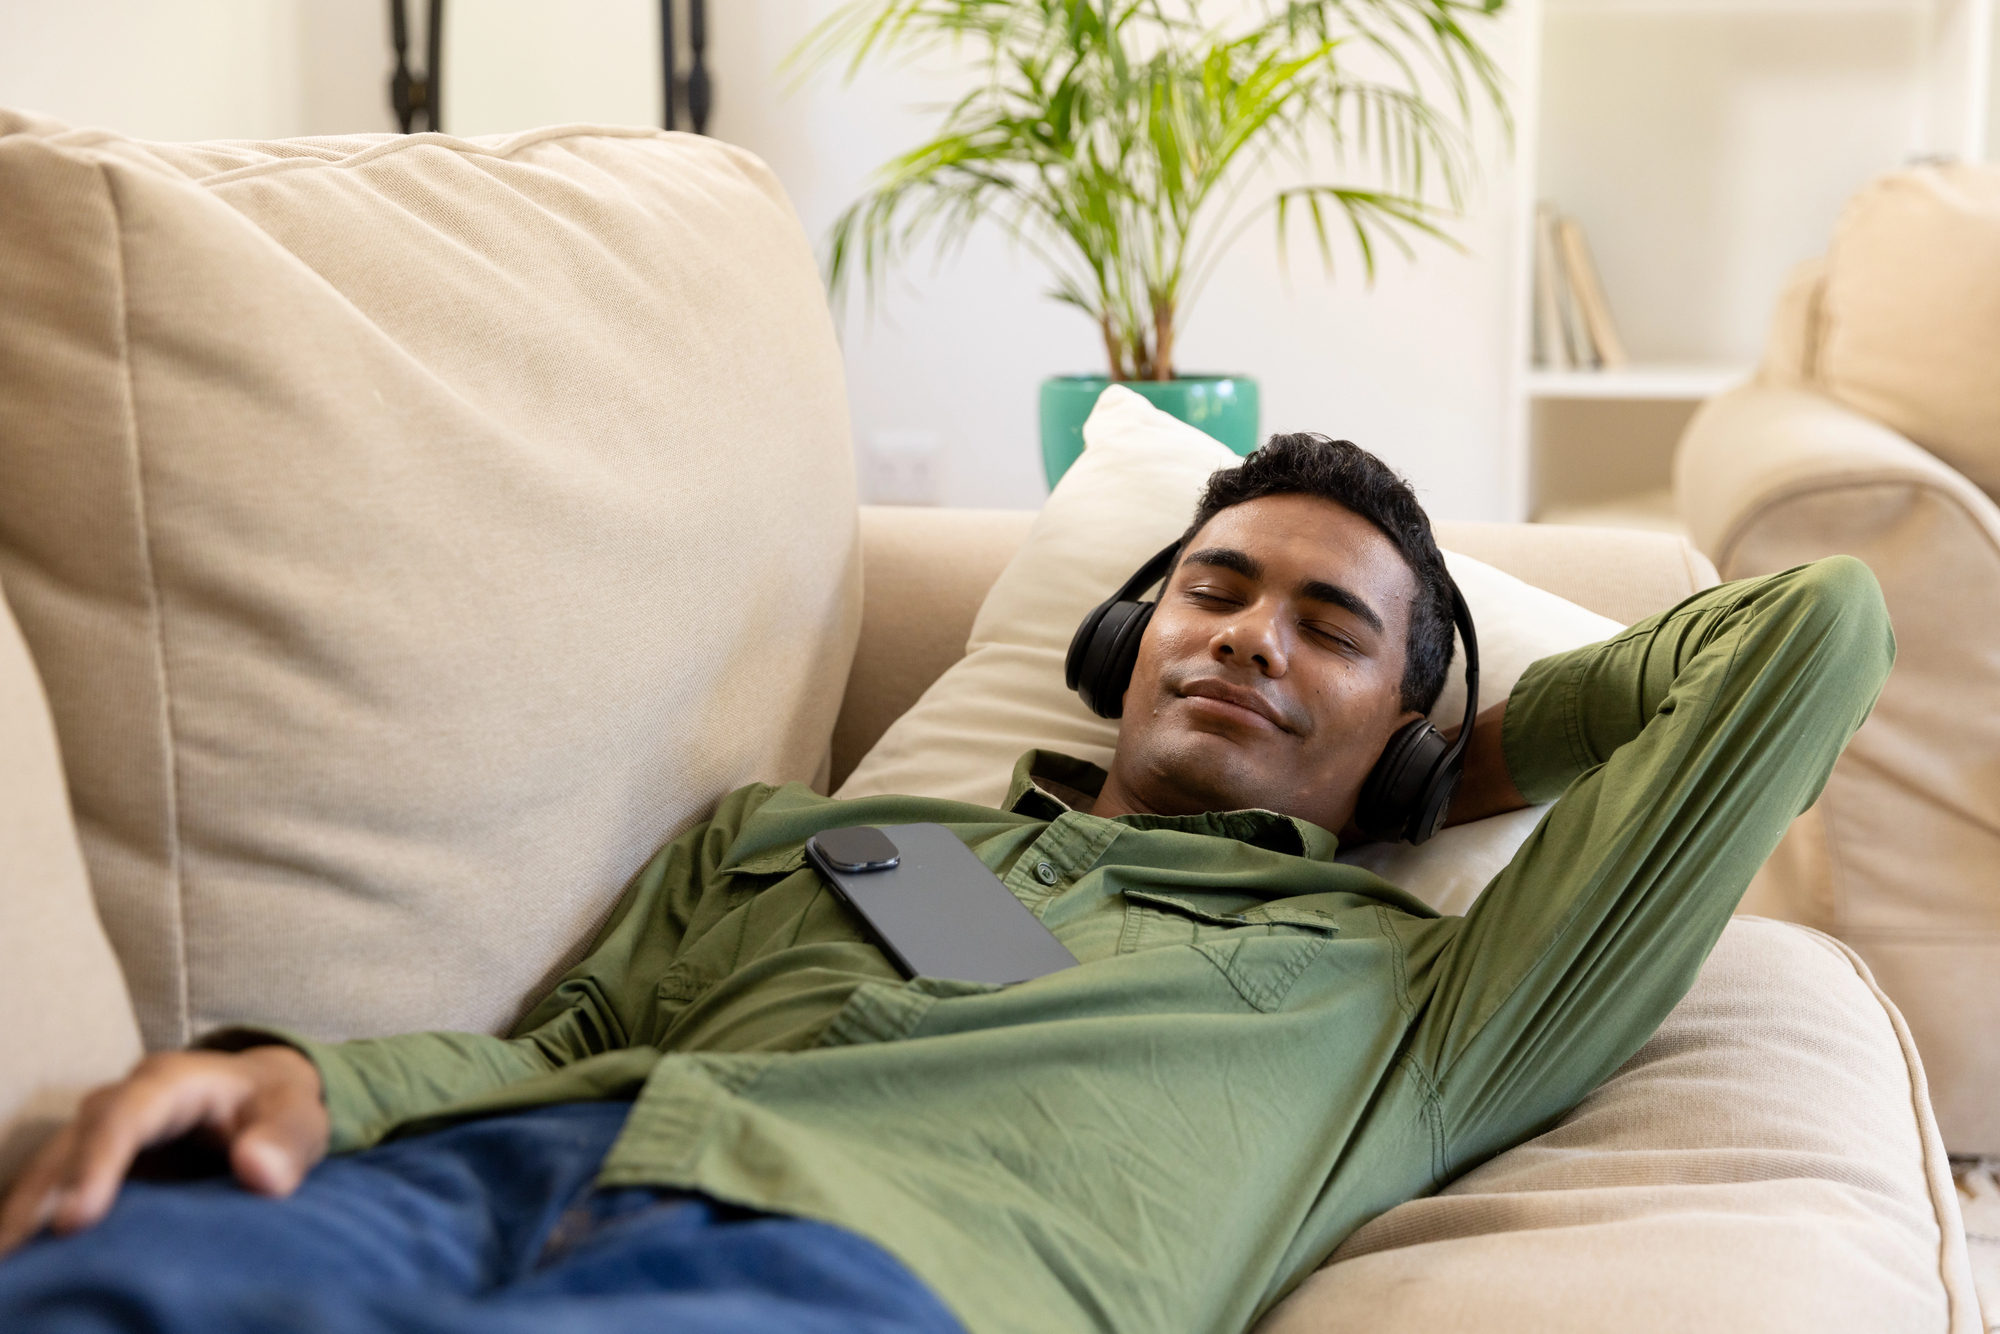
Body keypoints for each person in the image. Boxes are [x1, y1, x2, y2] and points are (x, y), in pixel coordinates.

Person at [0, 434, 1892, 1334]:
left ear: (1408, 710)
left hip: (850, 1290)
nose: (1243, 636)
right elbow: (574, 1036)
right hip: (439, 1191)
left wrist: (1447, 766)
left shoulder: (1413, 999)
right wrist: (317, 1079)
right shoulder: (801, 831)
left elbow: (1817, 627)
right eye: (1214, 587)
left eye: (1329, 626)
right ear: (1129, 635)